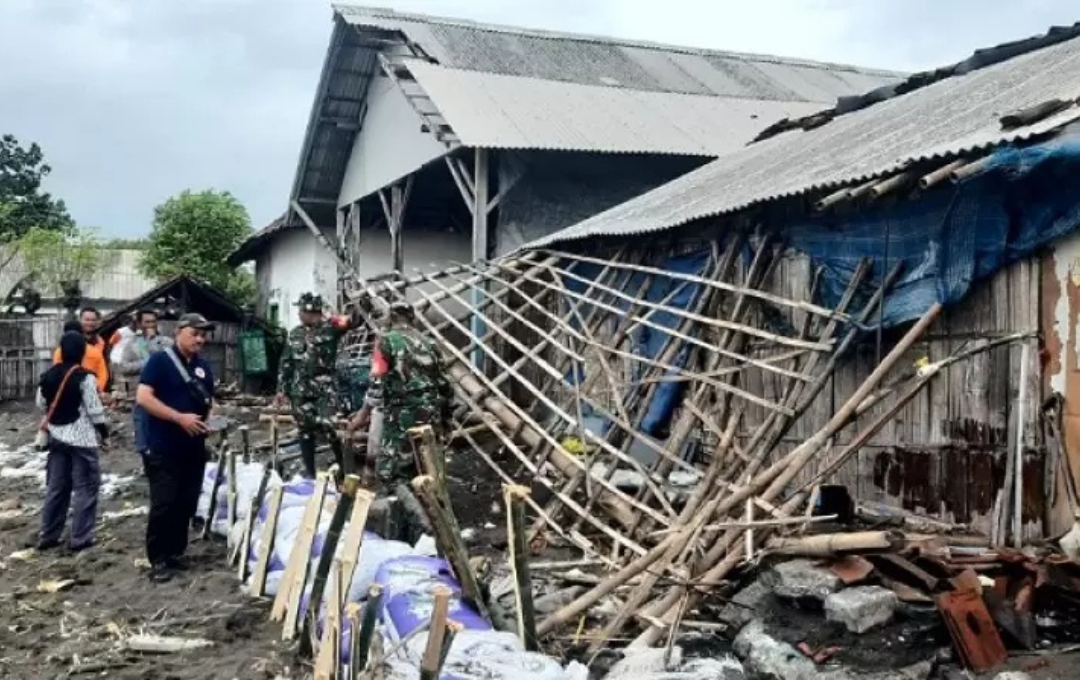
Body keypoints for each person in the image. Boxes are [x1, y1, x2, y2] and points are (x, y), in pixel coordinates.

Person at [135, 313, 216, 583]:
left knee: (186, 500)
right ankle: (158, 558)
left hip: (193, 446)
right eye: (195, 333)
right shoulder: (160, 361)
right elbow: (144, 398)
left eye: (203, 335)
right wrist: (178, 417)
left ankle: (175, 553)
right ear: (179, 331)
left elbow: (209, 403)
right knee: (165, 501)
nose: (200, 339)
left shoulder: (204, 367)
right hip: (163, 444)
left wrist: (211, 421)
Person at [346, 301, 453, 493]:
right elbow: (445, 385)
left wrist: (363, 415)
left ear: (391, 318)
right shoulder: (430, 344)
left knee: (393, 472)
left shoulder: (385, 341)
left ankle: (403, 515)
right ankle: (433, 512)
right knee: (429, 466)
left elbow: (377, 383)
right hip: (429, 415)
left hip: (399, 419)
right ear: (412, 319)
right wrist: (446, 419)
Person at [36, 332, 109, 551]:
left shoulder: (47, 375)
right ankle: (81, 538)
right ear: (82, 352)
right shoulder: (85, 377)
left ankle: (48, 534)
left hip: (56, 438)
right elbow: (95, 411)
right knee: (85, 488)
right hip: (82, 440)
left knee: (57, 488)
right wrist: (105, 434)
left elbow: (41, 403)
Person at [276, 293, 361, 479]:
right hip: (300, 390)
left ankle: (345, 471)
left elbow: (354, 322)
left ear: (310, 311)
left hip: (325, 391)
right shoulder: (295, 333)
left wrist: (359, 305)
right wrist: (282, 389)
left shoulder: (331, 327)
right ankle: (310, 473)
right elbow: (286, 362)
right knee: (305, 430)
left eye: (301, 310)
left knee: (331, 428)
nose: (298, 313)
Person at [119, 309, 173, 456]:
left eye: (153, 322)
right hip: (141, 395)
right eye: (147, 322)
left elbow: (171, 363)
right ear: (139, 324)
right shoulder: (133, 345)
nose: (150, 325)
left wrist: (153, 348)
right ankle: (146, 460)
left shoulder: (166, 342)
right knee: (142, 427)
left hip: (164, 394)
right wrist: (145, 363)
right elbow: (124, 367)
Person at [53, 308, 109, 394]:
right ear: (80, 320)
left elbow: (103, 372)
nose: (90, 323)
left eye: (93, 320)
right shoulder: (66, 346)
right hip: (69, 391)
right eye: (87, 320)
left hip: (94, 390)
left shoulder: (101, 343)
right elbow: (57, 370)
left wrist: (94, 390)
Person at [108, 314, 138, 379]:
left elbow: (142, 350)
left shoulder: (140, 333)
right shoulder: (121, 332)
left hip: (131, 364)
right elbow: (110, 343)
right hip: (117, 361)